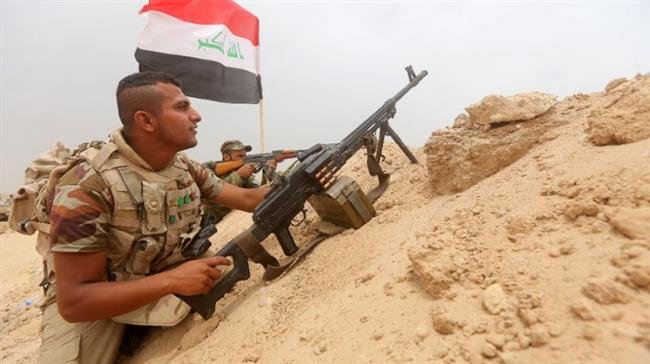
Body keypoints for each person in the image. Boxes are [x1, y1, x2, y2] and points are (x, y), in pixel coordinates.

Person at [38, 71, 269, 364]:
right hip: (97, 296)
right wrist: (171, 281)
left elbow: (248, 199)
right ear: (146, 120)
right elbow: (74, 302)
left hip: (163, 270)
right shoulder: (87, 183)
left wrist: (308, 177)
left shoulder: (184, 166)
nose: (196, 116)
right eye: (182, 107)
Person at [202, 140, 277, 222]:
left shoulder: (245, 174)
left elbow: (257, 193)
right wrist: (239, 176)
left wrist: (268, 172)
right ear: (226, 157)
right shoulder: (210, 173)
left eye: (245, 156)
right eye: (240, 156)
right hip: (215, 222)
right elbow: (216, 196)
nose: (244, 159)